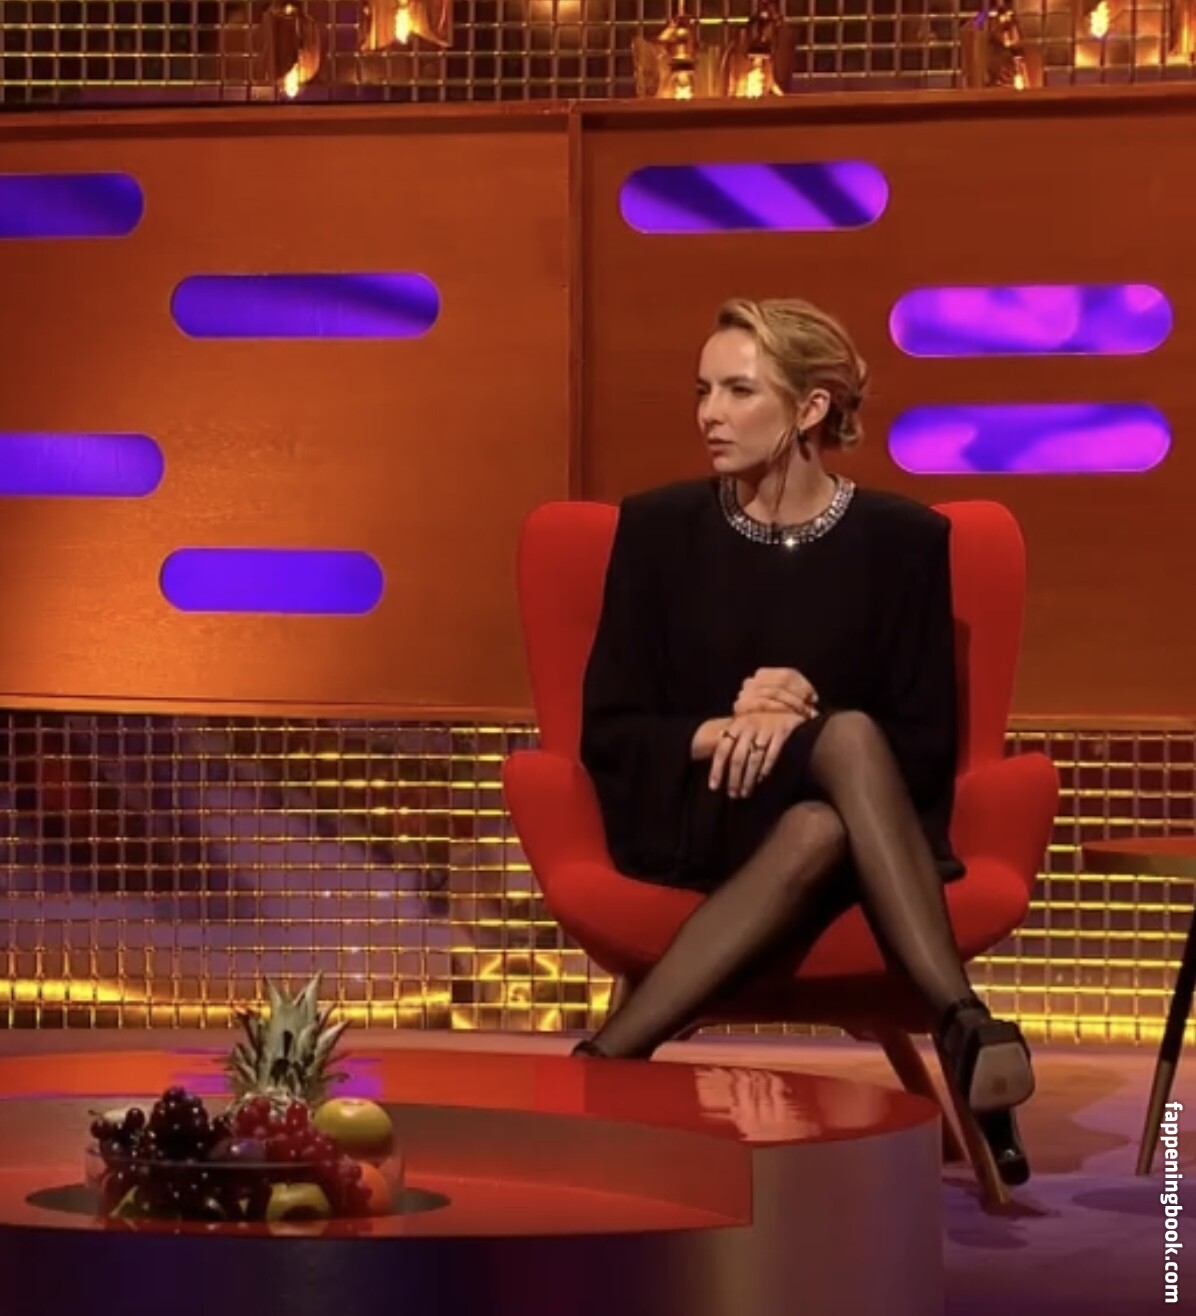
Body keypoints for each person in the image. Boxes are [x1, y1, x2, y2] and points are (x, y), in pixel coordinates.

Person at [572, 296, 1035, 1186]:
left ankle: (606, 1059)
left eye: (739, 391)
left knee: (829, 803)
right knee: (843, 748)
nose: (709, 414)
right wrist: (725, 727)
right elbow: (610, 727)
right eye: (703, 390)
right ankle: (964, 1021)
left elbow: (925, 745)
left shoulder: (904, 542)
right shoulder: (658, 529)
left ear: (811, 407)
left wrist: (804, 714)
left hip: (851, 833)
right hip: (699, 811)